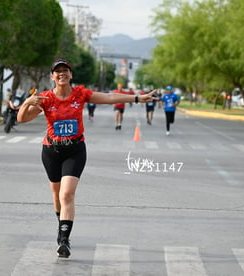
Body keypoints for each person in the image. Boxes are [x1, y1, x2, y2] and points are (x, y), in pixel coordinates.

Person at [17, 59, 156, 258]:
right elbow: (22, 118)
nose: (61, 74)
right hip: (51, 151)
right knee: (56, 196)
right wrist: (27, 103)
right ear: (52, 76)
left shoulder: (80, 94)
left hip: (75, 150)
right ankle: (61, 225)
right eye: (58, 72)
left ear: (71, 75)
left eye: (65, 71)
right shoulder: (46, 98)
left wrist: (136, 98)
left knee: (67, 195)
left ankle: (64, 241)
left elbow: (109, 97)